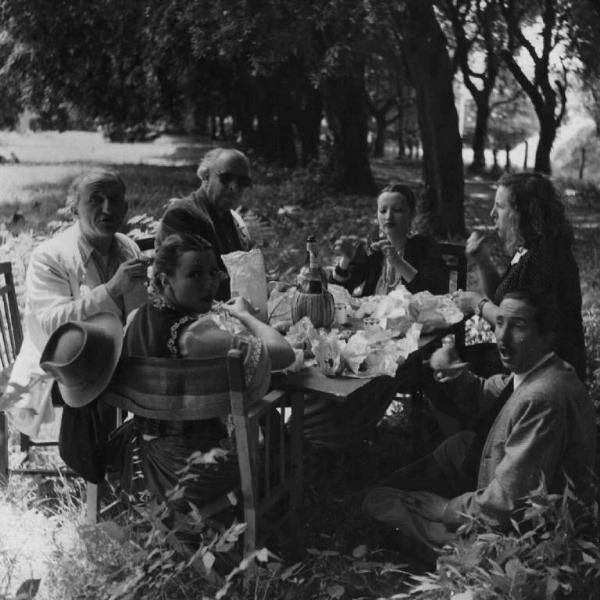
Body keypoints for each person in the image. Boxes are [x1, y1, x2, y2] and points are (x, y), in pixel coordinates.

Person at [363, 290, 596, 563]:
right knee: (461, 444)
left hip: (526, 533)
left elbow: (510, 502)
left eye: (518, 326)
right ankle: (396, 494)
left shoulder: (542, 398)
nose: (503, 336)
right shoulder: (542, 368)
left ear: (547, 337)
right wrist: (455, 374)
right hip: (507, 488)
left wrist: (446, 509)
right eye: (500, 323)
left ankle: (454, 551)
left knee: (379, 503)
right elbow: (491, 394)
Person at [107, 233, 294, 511]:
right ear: (163, 281)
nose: (209, 284)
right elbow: (284, 352)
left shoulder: (135, 319)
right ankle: (280, 505)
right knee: (275, 424)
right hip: (187, 470)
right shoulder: (195, 336)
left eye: (213, 273)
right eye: (194, 274)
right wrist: (246, 315)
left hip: (138, 452)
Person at [4, 169, 148, 438]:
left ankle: (145, 457)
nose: (108, 209)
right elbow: (52, 323)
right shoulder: (50, 255)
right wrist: (111, 289)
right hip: (62, 361)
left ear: (126, 208)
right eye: (96, 200)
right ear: (74, 208)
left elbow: (137, 313)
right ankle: (99, 467)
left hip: (120, 357)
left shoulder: (127, 246)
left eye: (115, 200)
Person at [453, 172, 586, 380]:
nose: (492, 214)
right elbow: (504, 301)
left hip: (544, 371)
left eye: (500, 206)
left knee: (447, 368)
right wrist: (483, 261)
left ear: (523, 214)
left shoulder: (545, 258)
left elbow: (520, 326)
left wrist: (477, 304)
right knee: (449, 360)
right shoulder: (529, 249)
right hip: (524, 358)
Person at [157, 147, 253, 300]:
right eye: (226, 178)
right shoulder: (182, 215)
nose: (234, 187)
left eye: (243, 182)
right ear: (205, 176)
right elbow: (186, 285)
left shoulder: (232, 219)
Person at [330, 183, 448, 296]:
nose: (388, 217)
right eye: (383, 211)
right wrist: (345, 260)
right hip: (373, 315)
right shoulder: (372, 247)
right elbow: (338, 292)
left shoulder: (425, 247)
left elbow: (435, 293)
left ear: (412, 214)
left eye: (397, 210)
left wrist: (397, 261)